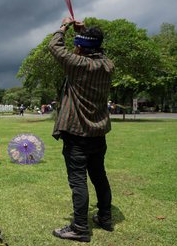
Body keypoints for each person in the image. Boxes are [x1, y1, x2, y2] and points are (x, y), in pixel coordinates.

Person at [47, 16, 115, 243]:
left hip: (77, 134)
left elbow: (54, 45)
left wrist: (64, 26)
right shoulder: (107, 65)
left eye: (78, 44)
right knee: (99, 176)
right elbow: (93, 48)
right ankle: (105, 218)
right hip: (98, 133)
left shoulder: (77, 65)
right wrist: (83, 32)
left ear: (81, 48)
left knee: (78, 181)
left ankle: (79, 228)